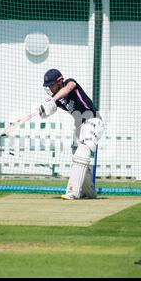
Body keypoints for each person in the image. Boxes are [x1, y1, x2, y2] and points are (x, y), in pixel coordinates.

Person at [39, 69, 105, 200]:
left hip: (93, 121)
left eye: (52, 85)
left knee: (82, 154)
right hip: (80, 127)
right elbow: (48, 112)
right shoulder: (56, 99)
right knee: (79, 159)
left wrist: (52, 99)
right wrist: (41, 110)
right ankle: (90, 192)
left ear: (59, 81)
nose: (50, 88)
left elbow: (69, 88)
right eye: (48, 86)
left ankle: (73, 192)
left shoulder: (69, 83)